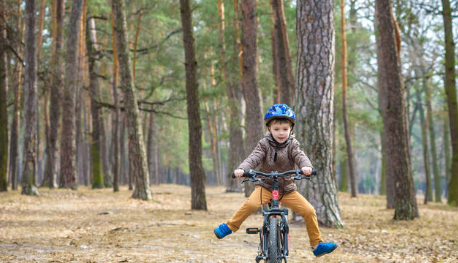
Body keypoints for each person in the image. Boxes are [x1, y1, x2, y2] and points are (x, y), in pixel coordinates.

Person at [213, 103, 338, 257]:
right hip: (266, 186)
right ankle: (230, 226)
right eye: (276, 129)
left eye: (285, 129)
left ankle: (317, 244)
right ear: (269, 129)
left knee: (309, 210)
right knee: (251, 204)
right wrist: (242, 169)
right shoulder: (264, 144)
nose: (281, 133)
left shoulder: (293, 144)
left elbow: (300, 156)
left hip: (287, 189)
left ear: (291, 129)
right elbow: (254, 157)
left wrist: (307, 167)